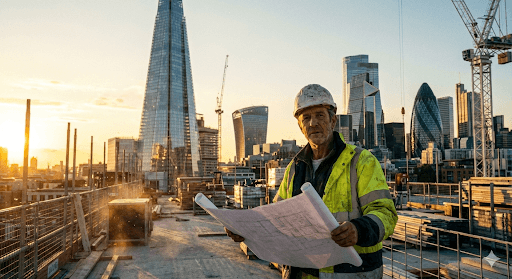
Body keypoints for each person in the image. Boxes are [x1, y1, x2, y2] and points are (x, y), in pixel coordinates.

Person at [225, 84, 397, 279]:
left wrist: (359, 229)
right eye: (306, 118)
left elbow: (386, 214)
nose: (313, 123)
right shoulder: (294, 168)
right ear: (300, 126)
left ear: (333, 120)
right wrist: (246, 232)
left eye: (320, 115)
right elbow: (276, 220)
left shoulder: (362, 162)